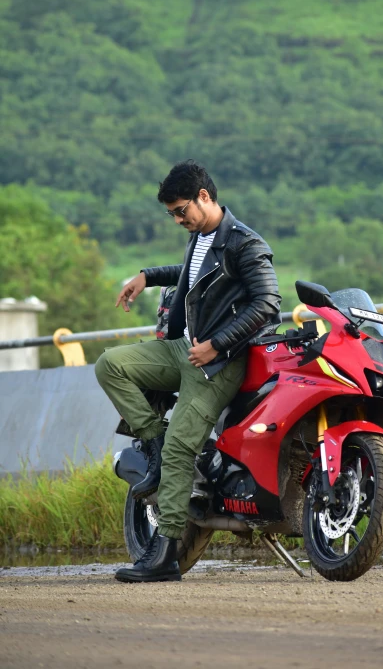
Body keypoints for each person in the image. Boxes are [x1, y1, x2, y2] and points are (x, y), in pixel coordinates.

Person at [95, 160, 281, 582]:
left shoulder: (245, 243)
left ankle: (165, 555)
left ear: (204, 197)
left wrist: (216, 344)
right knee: (111, 365)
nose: (179, 220)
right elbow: (191, 275)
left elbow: (268, 303)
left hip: (222, 361)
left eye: (182, 211)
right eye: (172, 215)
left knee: (183, 448)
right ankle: (152, 438)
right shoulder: (201, 237)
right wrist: (146, 275)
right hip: (187, 348)